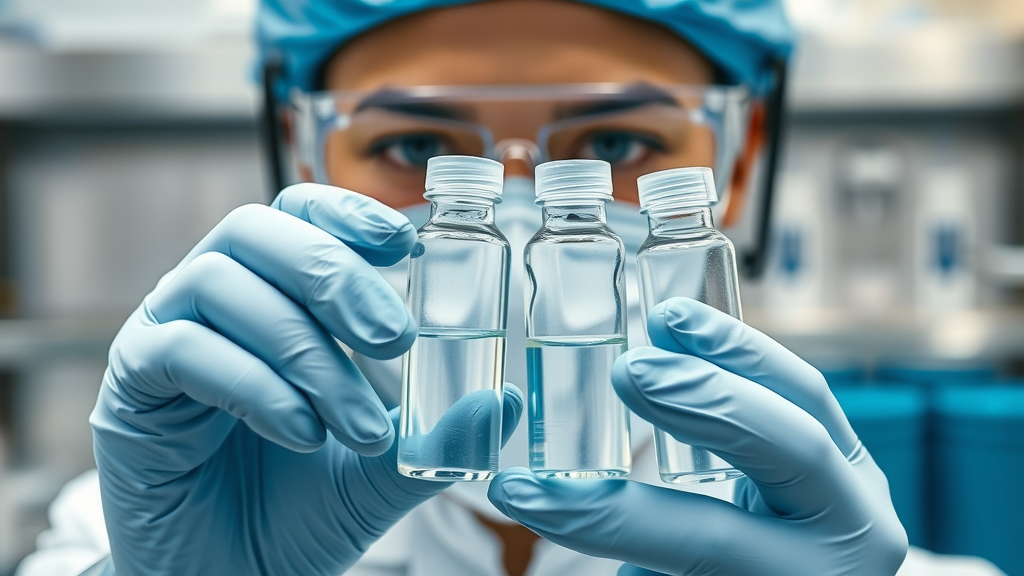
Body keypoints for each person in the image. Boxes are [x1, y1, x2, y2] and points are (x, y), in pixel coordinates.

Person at [15, 1, 1002, 575]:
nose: (521, 207)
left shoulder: (857, 564)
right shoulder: (141, 525)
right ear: (302, 155)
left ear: (733, 166)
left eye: (616, 142)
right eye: (416, 146)